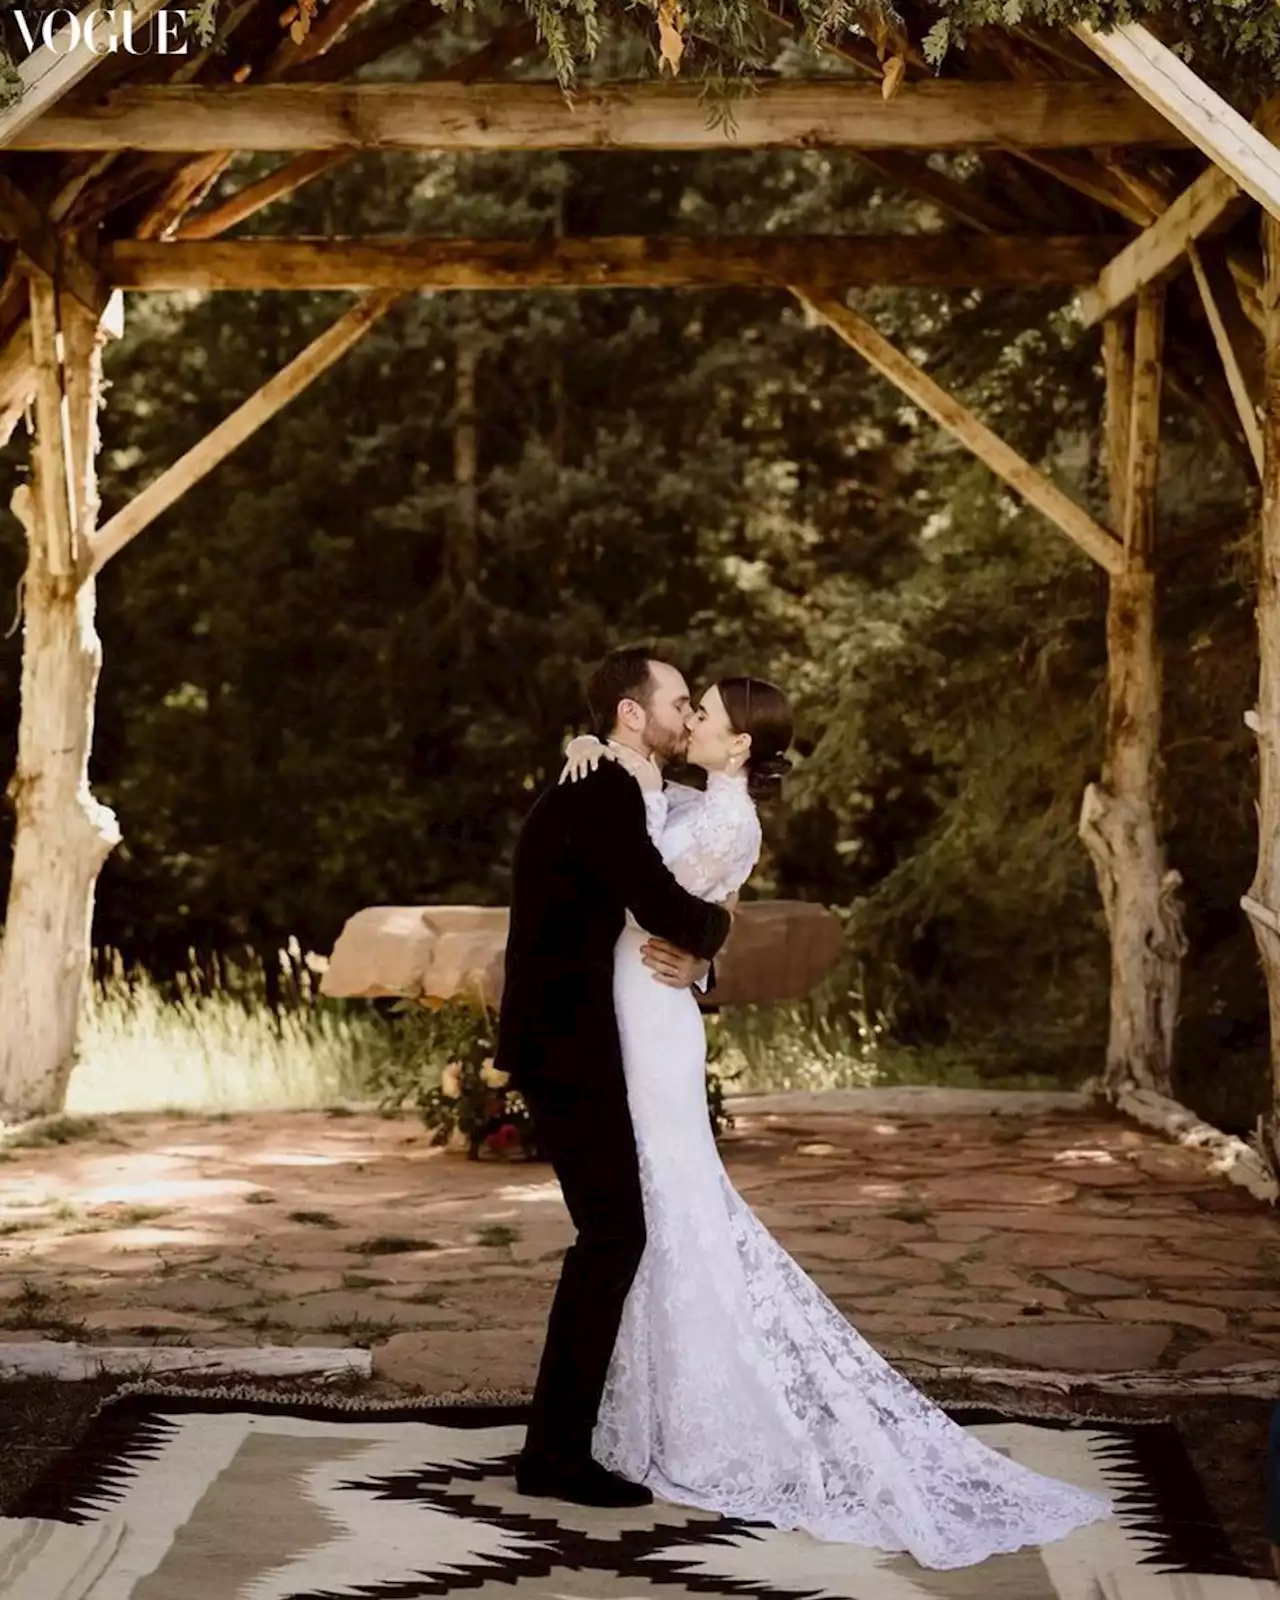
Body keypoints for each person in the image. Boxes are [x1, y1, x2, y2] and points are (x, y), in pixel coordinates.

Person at [557, 673, 1114, 1571]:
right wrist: (590, 750)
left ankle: (710, 1422)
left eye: (706, 711)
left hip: (650, 1012)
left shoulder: (732, 821)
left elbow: (653, 899)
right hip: (629, 1001)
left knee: (674, 1200)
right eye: (686, 703)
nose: (691, 716)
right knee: (646, 1211)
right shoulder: (681, 792)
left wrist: (706, 948)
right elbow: (637, 833)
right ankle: (642, 1409)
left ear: (739, 746)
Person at [495, 647, 733, 1511]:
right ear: (632, 715)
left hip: (576, 1041)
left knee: (611, 1237)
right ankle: (554, 1456)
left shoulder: (613, 785)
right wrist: (720, 932)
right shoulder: (596, 794)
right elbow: (661, 902)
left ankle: (563, 1440)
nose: (683, 715)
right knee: (612, 1238)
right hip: (566, 1045)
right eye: (675, 701)